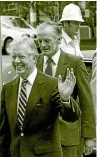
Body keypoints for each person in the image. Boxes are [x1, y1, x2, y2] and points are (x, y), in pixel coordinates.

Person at [0, 37, 80, 157]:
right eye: (14, 57)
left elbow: (71, 117)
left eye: (21, 57)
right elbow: (4, 132)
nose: (17, 61)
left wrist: (65, 99)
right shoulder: (8, 88)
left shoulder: (51, 84)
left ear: (34, 58)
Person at [36, 21, 96, 157]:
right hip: (40, 140)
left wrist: (89, 137)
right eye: (39, 41)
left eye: (47, 40)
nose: (42, 45)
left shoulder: (74, 62)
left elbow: (87, 101)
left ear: (58, 39)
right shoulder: (35, 62)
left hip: (67, 138)